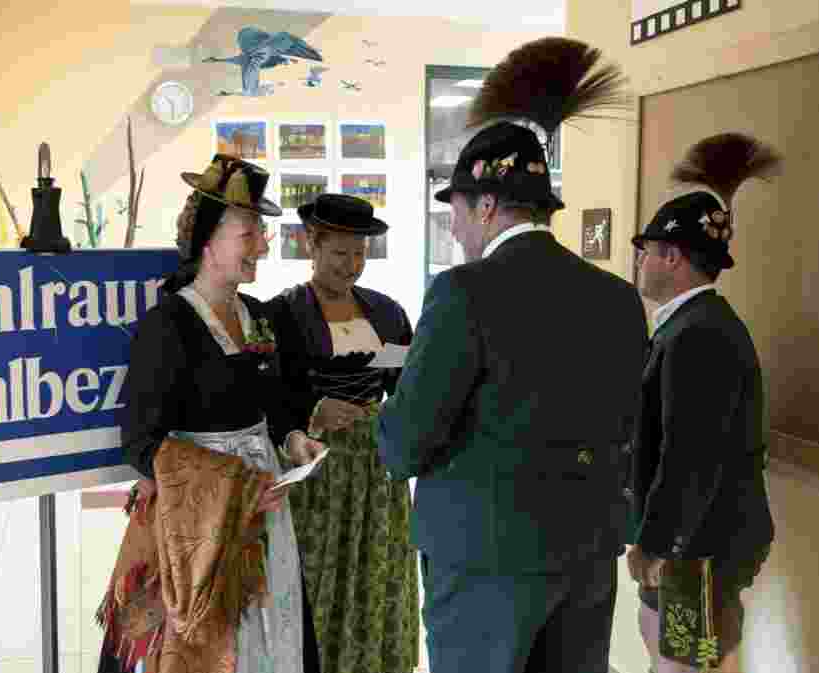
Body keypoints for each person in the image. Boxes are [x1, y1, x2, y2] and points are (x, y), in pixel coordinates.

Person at [376, 37, 647, 673]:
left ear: (488, 205)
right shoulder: (616, 298)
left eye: (459, 214)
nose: (458, 230)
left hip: (484, 564)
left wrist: (383, 422)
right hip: (585, 554)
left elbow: (406, 443)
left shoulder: (465, 292)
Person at [96, 154, 325, 673]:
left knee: (275, 634)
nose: (263, 245)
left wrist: (292, 438)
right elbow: (140, 441)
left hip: (264, 514)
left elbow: (277, 400)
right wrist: (235, 485)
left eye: (260, 234)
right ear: (208, 242)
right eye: (250, 234)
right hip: (197, 532)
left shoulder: (260, 317)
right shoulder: (170, 326)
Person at [628, 133, 780, 672]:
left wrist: (656, 542)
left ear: (671, 256)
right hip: (695, 544)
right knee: (677, 655)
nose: (639, 263)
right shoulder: (691, 325)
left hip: (699, 549)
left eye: (644, 252)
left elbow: (690, 455)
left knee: (686, 664)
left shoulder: (700, 334)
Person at [267, 194, 418, 673]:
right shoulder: (282, 317)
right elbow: (268, 395)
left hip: (376, 473)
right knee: (318, 576)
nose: (352, 266)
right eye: (339, 253)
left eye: (360, 254)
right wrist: (311, 408)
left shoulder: (388, 314)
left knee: (377, 575)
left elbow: (402, 384)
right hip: (315, 472)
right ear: (312, 244)